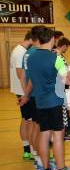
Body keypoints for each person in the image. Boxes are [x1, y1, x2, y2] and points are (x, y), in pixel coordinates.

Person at [19, 26, 70, 170]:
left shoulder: (31, 57)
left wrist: (26, 95)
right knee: (58, 136)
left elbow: (31, 80)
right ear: (52, 39)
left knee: (44, 134)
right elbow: (66, 79)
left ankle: (45, 169)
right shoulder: (56, 58)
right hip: (54, 101)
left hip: (39, 102)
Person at [21, 26, 44, 170]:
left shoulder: (27, 53)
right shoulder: (39, 53)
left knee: (34, 126)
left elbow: (23, 75)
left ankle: (37, 157)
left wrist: (26, 94)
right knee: (41, 129)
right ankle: (41, 160)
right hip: (41, 95)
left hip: (31, 94)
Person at [10, 31, 33, 159]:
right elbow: (20, 74)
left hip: (22, 91)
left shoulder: (18, 50)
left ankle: (27, 148)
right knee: (29, 121)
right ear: (31, 39)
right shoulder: (21, 52)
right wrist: (27, 94)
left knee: (26, 119)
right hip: (23, 91)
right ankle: (30, 149)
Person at [53, 38, 70, 141]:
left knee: (64, 112)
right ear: (64, 45)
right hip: (61, 88)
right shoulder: (58, 56)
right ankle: (63, 134)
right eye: (67, 47)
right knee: (63, 112)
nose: (67, 49)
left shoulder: (56, 55)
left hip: (60, 88)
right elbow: (65, 73)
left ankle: (64, 132)